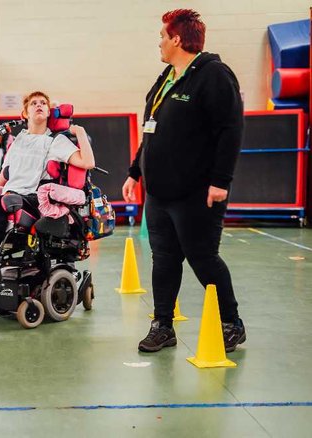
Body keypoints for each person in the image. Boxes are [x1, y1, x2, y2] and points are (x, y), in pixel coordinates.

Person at [122, 9, 245, 353]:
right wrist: (136, 170)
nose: (159, 43)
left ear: (177, 39)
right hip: (159, 193)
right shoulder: (167, 77)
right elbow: (152, 129)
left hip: (197, 193)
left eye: (162, 36)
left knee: (203, 258)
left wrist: (221, 181)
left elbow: (230, 131)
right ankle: (163, 325)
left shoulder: (214, 75)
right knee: (163, 259)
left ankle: (231, 323)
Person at [0, 91, 95, 282]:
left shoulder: (55, 141)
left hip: (32, 199)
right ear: (25, 113)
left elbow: (88, 162)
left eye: (43, 103)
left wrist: (79, 133)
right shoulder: (18, 141)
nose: (39, 105)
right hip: (11, 195)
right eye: (33, 103)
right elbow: (5, 174)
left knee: (2, 202)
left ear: (48, 111)